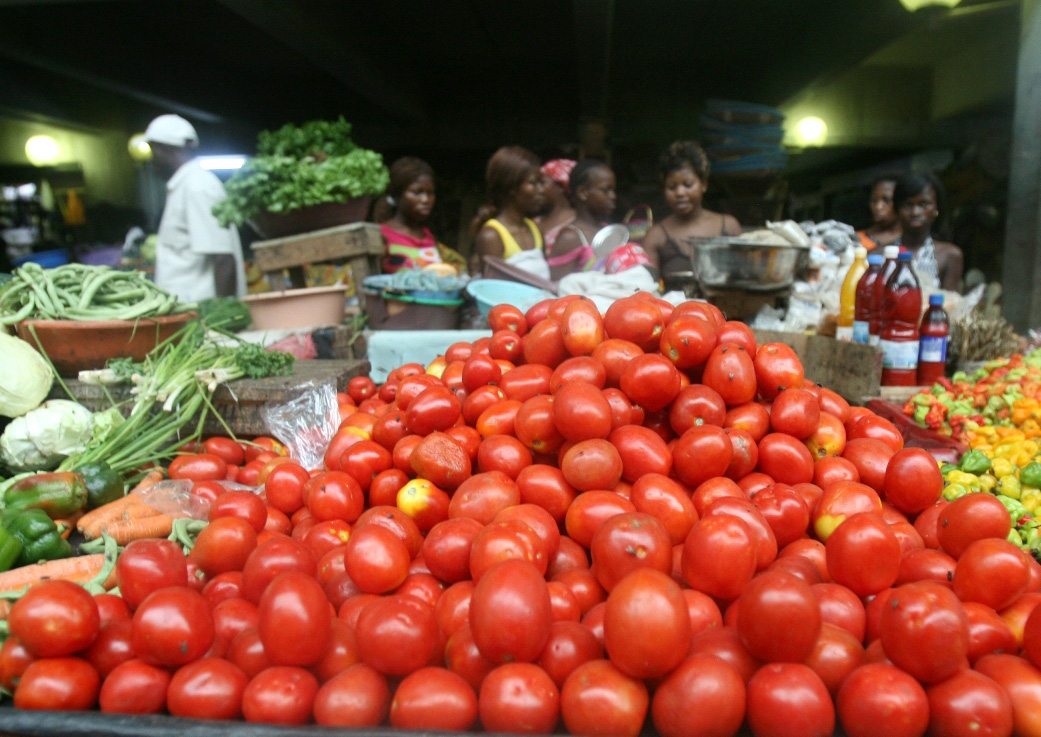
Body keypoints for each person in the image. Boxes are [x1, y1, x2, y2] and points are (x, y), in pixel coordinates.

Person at [144, 114, 245, 301]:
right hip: (190, 315)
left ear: (164, 148)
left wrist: (222, 314)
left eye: (152, 151)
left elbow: (223, 259)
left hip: (203, 317)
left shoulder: (197, 186)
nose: (152, 160)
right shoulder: (184, 185)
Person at [641, 141, 740, 289]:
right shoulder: (656, 236)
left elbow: (744, 276)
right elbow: (647, 288)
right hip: (675, 310)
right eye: (672, 187)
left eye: (688, 185)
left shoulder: (729, 226)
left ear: (704, 185)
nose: (680, 193)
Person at [373, 157, 465, 274]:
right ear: (396, 195)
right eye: (417, 192)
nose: (426, 200)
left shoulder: (427, 236)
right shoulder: (381, 235)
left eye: (430, 193)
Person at [469, 146, 546, 275]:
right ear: (512, 188)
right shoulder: (492, 236)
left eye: (541, 183)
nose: (541, 190)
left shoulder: (536, 229)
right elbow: (493, 290)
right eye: (533, 183)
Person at [547, 159, 617, 281]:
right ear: (582, 192)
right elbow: (560, 290)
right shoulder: (570, 237)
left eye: (613, 190)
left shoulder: (607, 230)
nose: (613, 196)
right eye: (606, 190)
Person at [893, 172, 964, 292]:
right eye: (907, 205)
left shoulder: (949, 255)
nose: (915, 212)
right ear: (897, 209)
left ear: (936, 208)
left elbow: (952, 305)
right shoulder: (879, 255)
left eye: (923, 204)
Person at [536, 158, 577, 261]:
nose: (537, 189)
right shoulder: (534, 222)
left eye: (542, 183)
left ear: (561, 186)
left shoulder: (577, 223)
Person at [857, 174, 901, 250]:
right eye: (874, 200)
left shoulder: (913, 239)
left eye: (886, 201)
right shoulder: (856, 240)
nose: (878, 207)